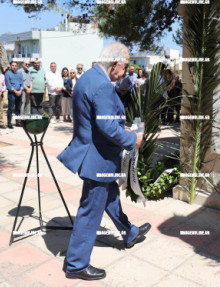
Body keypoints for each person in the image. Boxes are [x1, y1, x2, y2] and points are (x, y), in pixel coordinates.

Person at [57, 42, 150, 281]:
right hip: (98, 159)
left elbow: (99, 120)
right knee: (90, 211)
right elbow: (107, 125)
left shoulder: (88, 77)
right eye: (126, 65)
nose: (127, 71)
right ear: (115, 62)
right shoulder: (102, 86)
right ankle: (76, 264)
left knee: (110, 197)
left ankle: (130, 232)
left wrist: (121, 127)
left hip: (94, 154)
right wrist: (132, 138)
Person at [5, 61, 23, 129]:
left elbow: (21, 83)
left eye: (15, 65)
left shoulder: (19, 74)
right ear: (10, 66)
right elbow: (8, 85)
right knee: (10, 108)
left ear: (17, 66)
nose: (14, 67)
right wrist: (16, 92)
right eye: (13, 65)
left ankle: (17, 122)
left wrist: (20, 90)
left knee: (18, 109)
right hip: (12, 93)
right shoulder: (7, 74)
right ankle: (9, 123)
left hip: (19, 93)